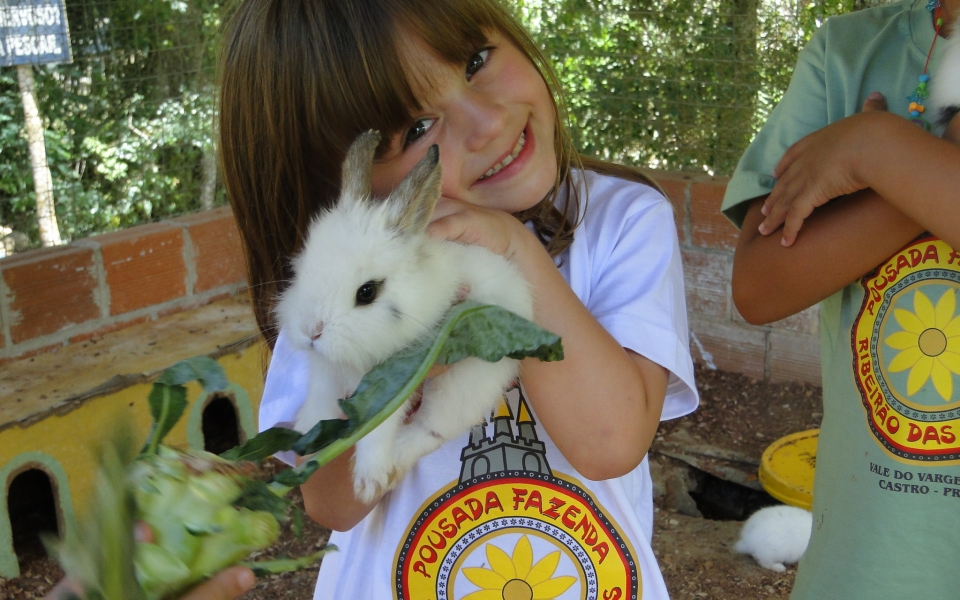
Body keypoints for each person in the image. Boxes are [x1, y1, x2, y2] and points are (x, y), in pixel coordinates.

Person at [217, 0, 698, 598]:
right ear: (347, 190)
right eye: (416, 130)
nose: (488, 123)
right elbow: (331, 501)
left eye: (476, 60)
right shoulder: (342, 283)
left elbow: (609, 443)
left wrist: (513, 252)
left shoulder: (623, 221)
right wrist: (407, 366)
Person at [722, 0, 960, 596]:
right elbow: (759, 285)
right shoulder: (849, 53)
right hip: (874, 560)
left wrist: (876, 152)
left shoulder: (869, 132)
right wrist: (904, 160)